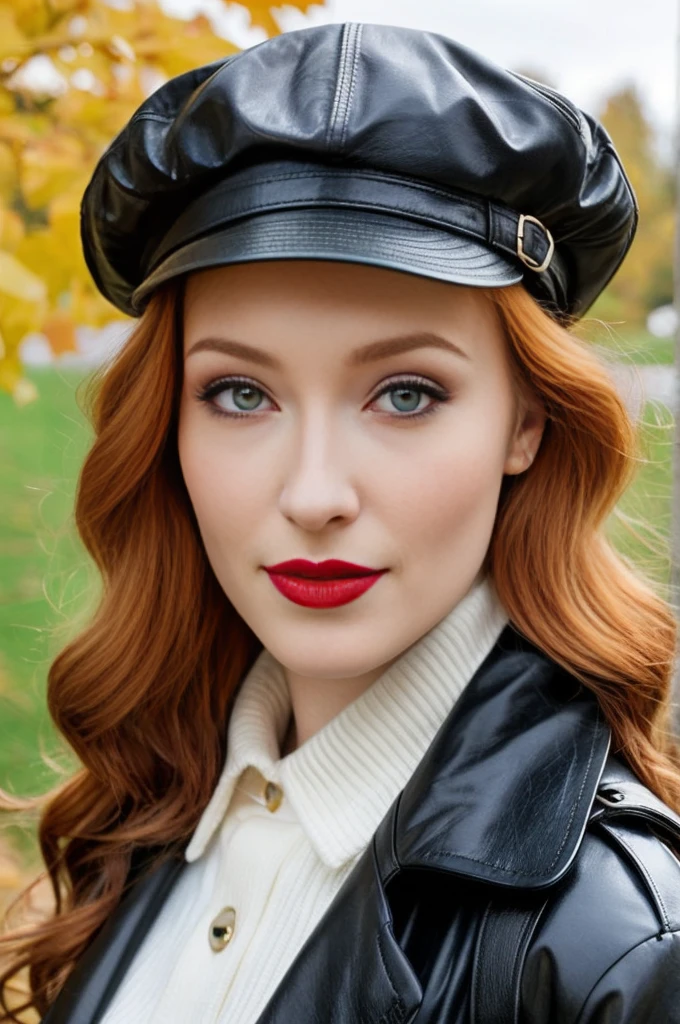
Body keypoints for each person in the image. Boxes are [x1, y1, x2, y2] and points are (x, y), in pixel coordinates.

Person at [1, 20, 680, 1024]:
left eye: (403, 394)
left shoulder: (613, 950)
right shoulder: (145, 816)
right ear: (167, 428)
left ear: (525, 423)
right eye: (239, 394)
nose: (314, 492)